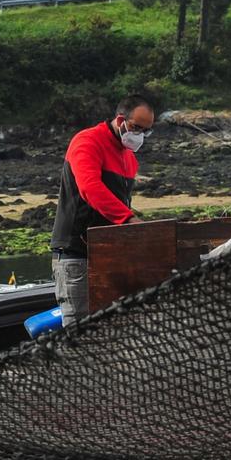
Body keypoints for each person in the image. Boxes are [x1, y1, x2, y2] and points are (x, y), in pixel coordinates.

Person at [50, 95, 155, 325]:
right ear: (120, 120)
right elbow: (90, 188)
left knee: (112, 331)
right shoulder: (87, 141)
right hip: (77, 256)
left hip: (110, 256)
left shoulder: (130, 158)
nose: (140, 136)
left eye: (146, 131)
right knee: (79, 333)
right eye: (137, 128)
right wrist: (128, 220)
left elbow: (120, 202)